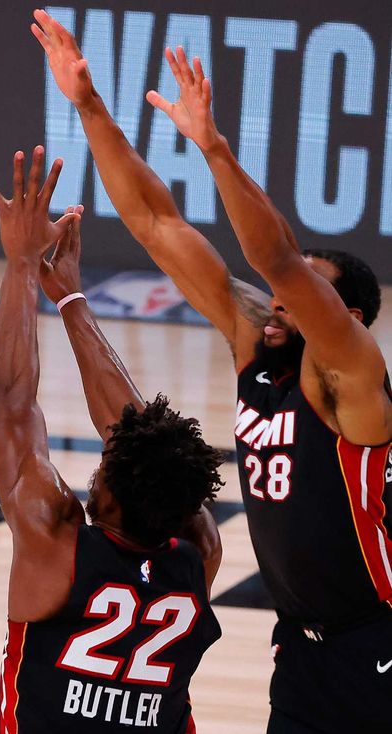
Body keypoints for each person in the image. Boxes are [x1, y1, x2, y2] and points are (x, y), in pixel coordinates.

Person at [32, 10, 392, 733]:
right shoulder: (257, 342)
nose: (283, 304)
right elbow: (156, 225)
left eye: (308, 296)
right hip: (300, 643)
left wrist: (216, 152)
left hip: (375, 643)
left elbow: (278, 261)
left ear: (347, 316)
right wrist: (89, 106)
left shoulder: (351, 381)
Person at [0, 146, 223, 733]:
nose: (96, 468)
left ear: (111, 496)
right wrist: (69, 298)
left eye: (104, 467)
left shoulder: (54, 544)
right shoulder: (200, 554)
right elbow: (146, 439)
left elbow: (15, 406)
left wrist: (20, 265)